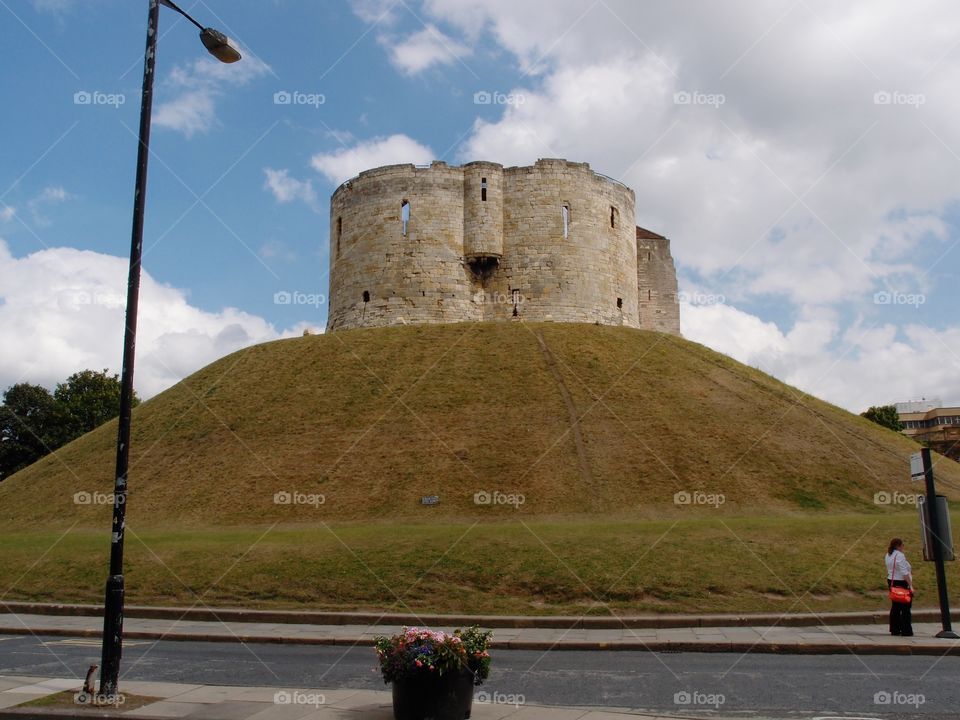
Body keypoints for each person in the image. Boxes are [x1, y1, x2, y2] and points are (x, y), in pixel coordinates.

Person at [885, 538, 914, 637]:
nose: (903, 547)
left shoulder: (888, 555)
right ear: (898, 546)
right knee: (906, 607)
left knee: (895, 606)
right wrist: (910, 585)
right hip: (901, 582)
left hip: (891, 581)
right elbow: (904, 572)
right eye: (902, 545)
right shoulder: (900, 556)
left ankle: (895, 629)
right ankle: (906, 630)